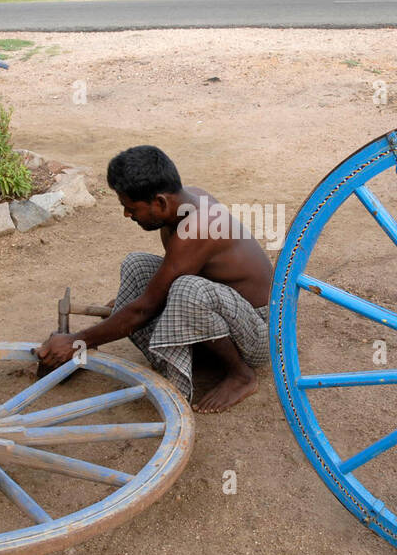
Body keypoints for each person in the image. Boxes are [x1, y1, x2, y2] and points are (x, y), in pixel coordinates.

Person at [35, 146, 274, 413]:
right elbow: (165, 282)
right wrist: (119, 315)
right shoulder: (184, 202)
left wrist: (77, 341)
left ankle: (241, 375)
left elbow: (147, 307)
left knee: (188, 290)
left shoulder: (197, 228)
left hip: (260, 333)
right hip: (230, 315)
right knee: (137, 265)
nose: (127, 215)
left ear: (159, 202)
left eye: (130, 207)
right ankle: (189, 353)